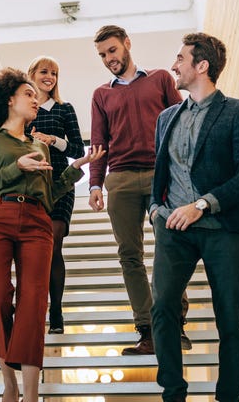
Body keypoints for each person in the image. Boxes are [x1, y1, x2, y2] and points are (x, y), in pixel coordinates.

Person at [0, 67, 104, 402]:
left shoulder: (40, 148)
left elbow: (51, 190)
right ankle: (9, 385)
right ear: (10, 100)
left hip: (37, 221)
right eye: (28, 94)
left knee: (33, 302)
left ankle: (30, 394)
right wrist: (16, 168)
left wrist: (76, 168)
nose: (35, 100)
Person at [149, 33, 239, 402]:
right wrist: (155, 209)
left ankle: (228, 396)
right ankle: (173, 393)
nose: (173, 65)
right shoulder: (166, 117)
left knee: (230, 318)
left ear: (202, 66)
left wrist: (202, 204)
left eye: (180, 58)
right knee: (163, 307)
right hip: (173, 229)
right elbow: (160, 170)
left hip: (223, 228)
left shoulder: (238, 111)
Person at [88, 25, 191, 355]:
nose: (108, 59)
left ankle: (173, 325)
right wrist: (94, 183)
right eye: (103, 55)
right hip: (119, 179)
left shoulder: (160, 78)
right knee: (129, 256)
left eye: (112, 51)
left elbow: (182, 123)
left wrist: (184, 171)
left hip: (161, 176)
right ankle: (147, 331)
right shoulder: (101, 94)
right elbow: (99, 143)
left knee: (170, 248)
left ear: (127, 44)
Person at [26, 55, 85, 334]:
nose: (50, 77)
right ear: (32, 74)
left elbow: (77, 149)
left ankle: (57, 310)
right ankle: (37, 307)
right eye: (44, 71)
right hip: (30, 185)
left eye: (54, 73)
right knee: (35, 251)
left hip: (61, 182)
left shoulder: (64, 109)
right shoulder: (26, 108)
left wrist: (53, 141)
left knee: (54, 245)